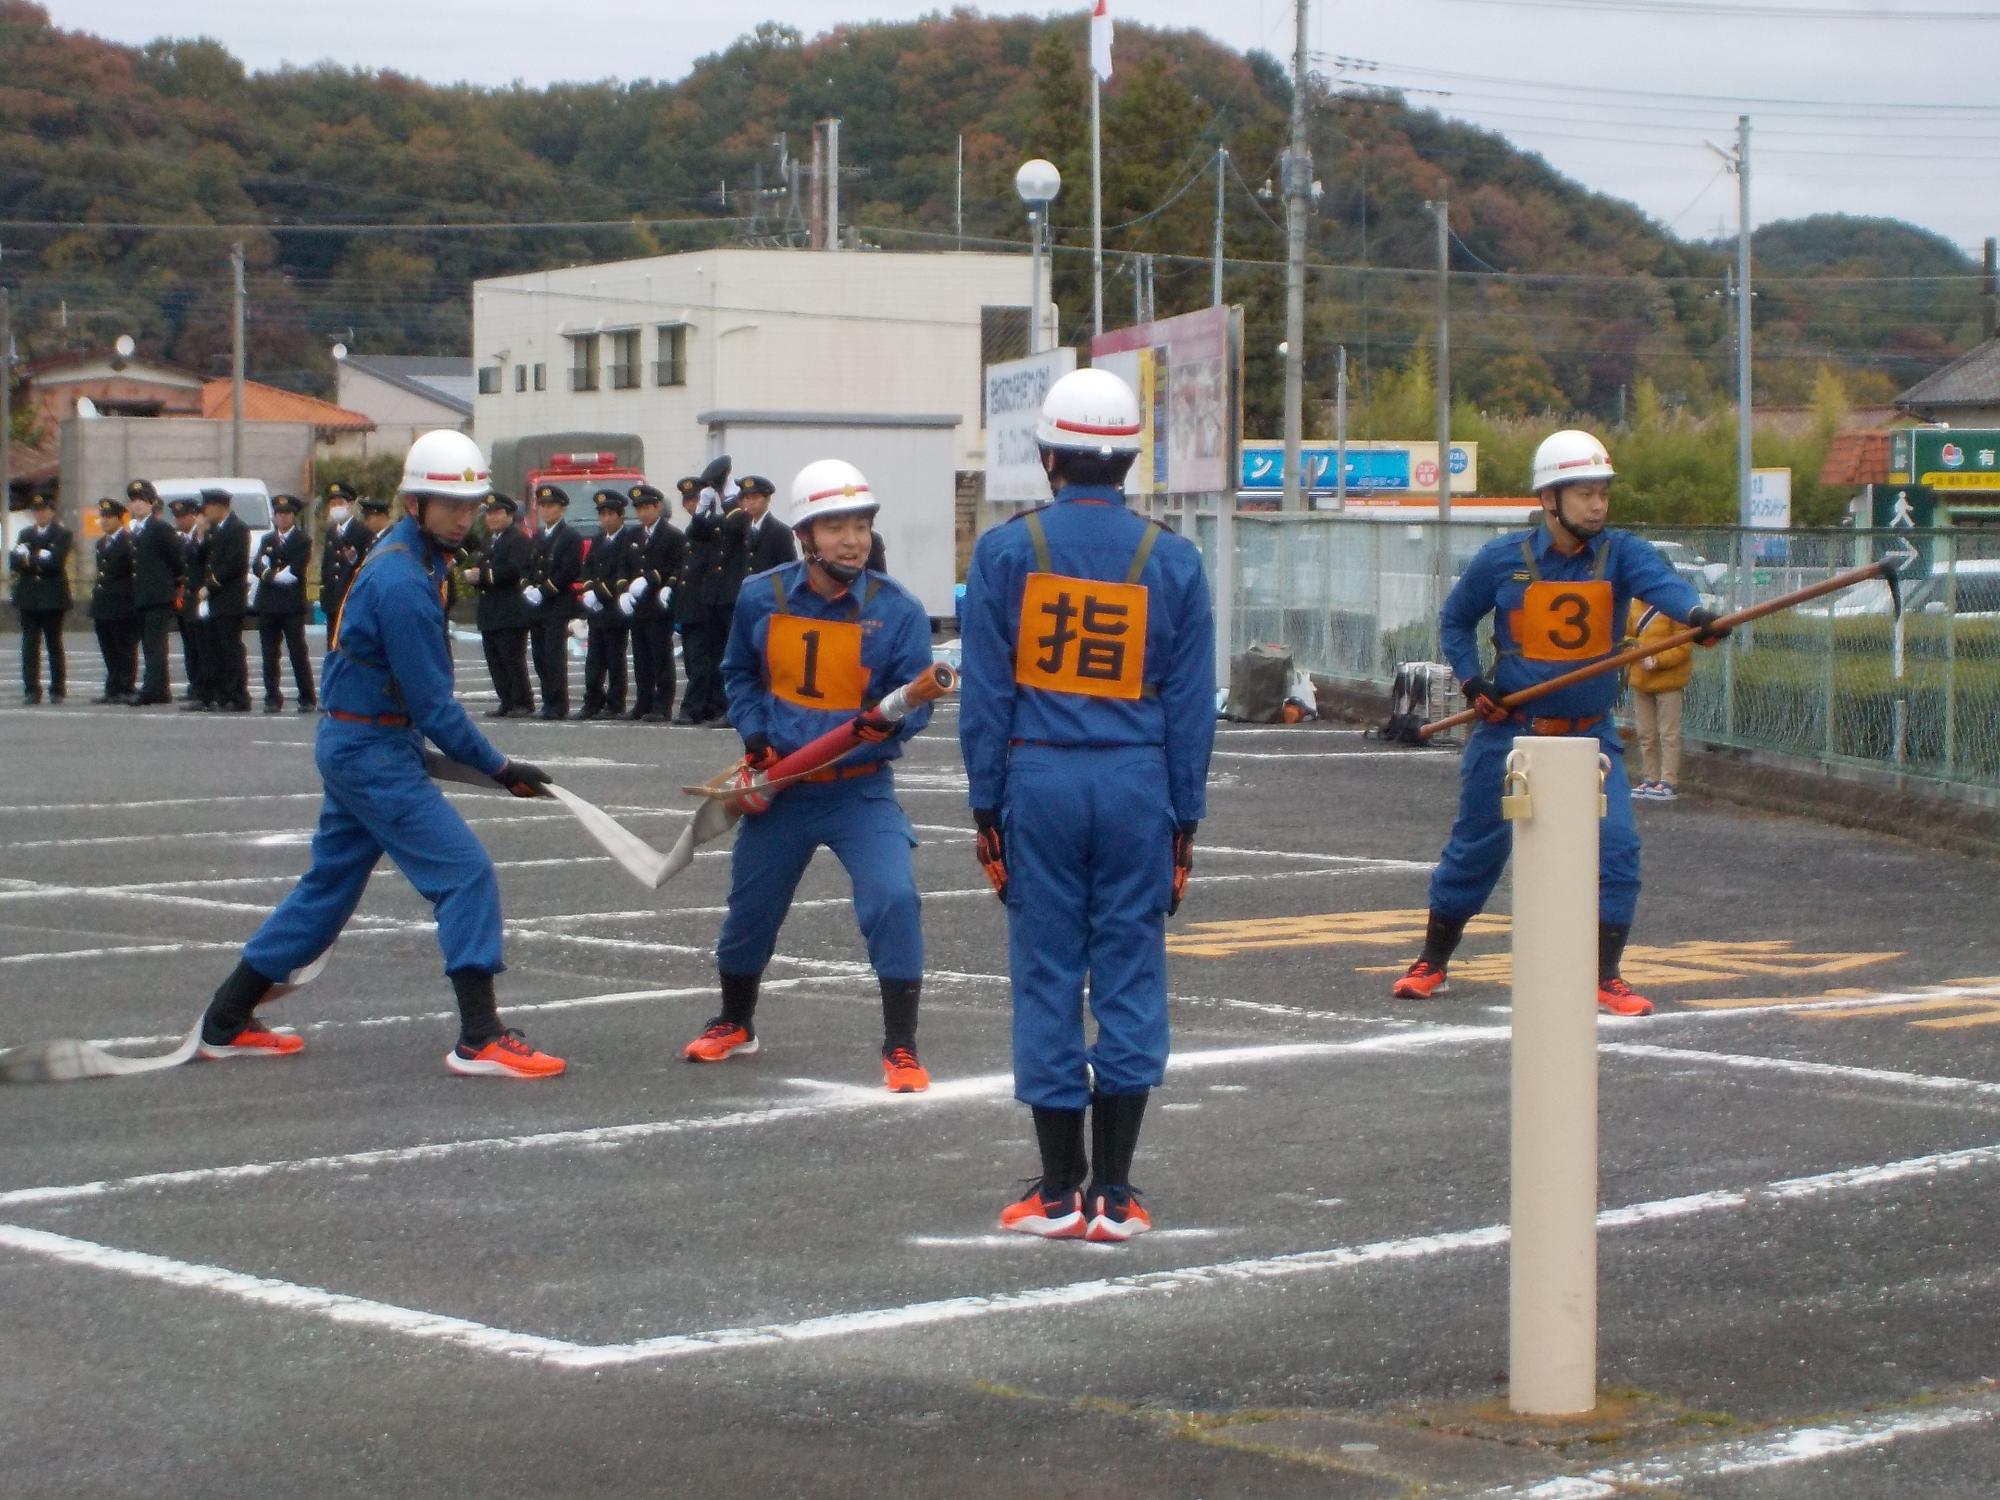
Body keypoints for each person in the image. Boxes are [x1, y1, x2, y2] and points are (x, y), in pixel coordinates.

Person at [195, 429, 564, 1079]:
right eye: (447, 504)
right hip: (373, 748)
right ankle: (480, 1037)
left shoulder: (416, 557)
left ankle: (225, 1020)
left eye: (471, 505)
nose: (463, 516)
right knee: (465, 872)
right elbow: (435, 706)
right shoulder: (403, 580)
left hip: (361, 740)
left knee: (326, 891)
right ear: (412, 503)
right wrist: (500, 769)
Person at [958, 367, 1217, 1244]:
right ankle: (1118, 1190)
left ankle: (1057, 1190)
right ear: (1130, 459)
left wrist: (984, 804)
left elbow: (986, 695)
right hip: (1139, 778)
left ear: (1047, 456)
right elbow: (1189, 707)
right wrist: (1186, 818)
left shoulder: (1005, 552)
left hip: (1039, 776)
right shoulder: (1174, 558)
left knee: (1047, 972)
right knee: (1131, 968)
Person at [1390, 429, 1728, 1018]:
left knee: (1618, 849)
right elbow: (1454, 620)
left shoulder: (1622, 553)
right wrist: (1474, 683)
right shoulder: (1502, 559)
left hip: (1591, 735)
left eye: (1603, 492)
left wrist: (1698, 616)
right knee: (1475, 850)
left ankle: (1606, 976)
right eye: (1584, 493)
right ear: (1550, 500)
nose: (1598, 504)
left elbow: (1666, 588)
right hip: (1509, 732)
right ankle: (1432, 962)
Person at [683, 458, 936, 1094]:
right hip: (782, 790)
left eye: (860, 525)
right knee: (750, 911)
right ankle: (735, 1022)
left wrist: (895, 726)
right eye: (835, 526)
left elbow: (918, 702)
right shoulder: (760, 595)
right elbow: (739, 673)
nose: (851, 538)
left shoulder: (899, 610)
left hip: (860, 790)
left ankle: (901, 1047)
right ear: (805, 535)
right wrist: (757, 736)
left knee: (894, 897)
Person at [463, 493, 535, 717]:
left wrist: (482, 575)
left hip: (509, 609)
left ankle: (522, 701)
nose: (492, 518)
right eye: (489, 514)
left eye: (498, 513)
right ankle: (506, 699)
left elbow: (513, 570)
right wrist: (476, 576)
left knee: (512, 658)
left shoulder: (517, 539)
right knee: (494, 659)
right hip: (490, 609)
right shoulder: (489, 541)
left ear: (510, 515)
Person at [621, 482, 686, 722]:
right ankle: (643, 702)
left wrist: (658, 581)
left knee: (661, 656)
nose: (643, 513)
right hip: (638, 605)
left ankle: (663, 705)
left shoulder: (672, 535)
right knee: (641, 657)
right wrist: (624, 590)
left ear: (657, 506)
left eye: (647, 507)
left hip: (658, 605)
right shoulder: (633, 535)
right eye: (638, 508)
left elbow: (676, 566)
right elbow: (625, 567)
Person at [253, 495, 316, 713]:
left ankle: (306, 696)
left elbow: (295, 571)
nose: (281, 517)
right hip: (268, 603)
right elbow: (257, 565)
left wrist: (270, 573)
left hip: (291, 605)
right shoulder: (268, 539)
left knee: (297, 651)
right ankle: (272, 696)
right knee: (269, 653)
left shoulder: (302, 540)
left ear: (294, 516)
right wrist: (270, 574)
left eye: (286, 513)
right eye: (278, 513)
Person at [525, 482, 583, 720]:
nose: (546, 511)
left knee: (553, 656)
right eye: (543, 506)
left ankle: (558, 704)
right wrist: (528, 586)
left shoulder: (570, 536)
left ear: (562, 509)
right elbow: (530, 566)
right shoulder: (539, 536)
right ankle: (547, 699)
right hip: (538, 606)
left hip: (557, 603)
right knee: (539, 655)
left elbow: (568, 570)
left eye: (552, 506)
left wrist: (544, 590)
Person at [1626, 599, 1692, 802]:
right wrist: (1636, 653)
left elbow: (1684, 643)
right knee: (1645, 733)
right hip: (1640, 678)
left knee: (1668, 734)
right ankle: (1651, 777)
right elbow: (1626, 636)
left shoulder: (1675, 606)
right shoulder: (1634, 606)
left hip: (1668, 681)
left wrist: (1658, 660)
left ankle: (1669, 781)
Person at [575, 490, 634, 720]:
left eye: (611, 514)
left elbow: (623, 571)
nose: (607, 519)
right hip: (596, 610)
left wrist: (600, 593)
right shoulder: (599, 539)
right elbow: (588, 568)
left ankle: (615, 702)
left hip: (614, 608)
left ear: (620, 516)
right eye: (603, 514)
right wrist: (588, 588)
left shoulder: (627, 540)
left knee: (614, 658)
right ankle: (592, 701)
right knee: (594, 659)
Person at [125, 479, 184, 705]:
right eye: (133, 500)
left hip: (158, 595)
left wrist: (171, 584)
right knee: (147, 645)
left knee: (155, 645)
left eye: (142, 500)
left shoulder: (160, 529)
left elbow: (176, 560)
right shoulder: (132, 530)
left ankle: (155, 689)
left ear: (151, 503)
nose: (137, 505)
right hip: (139, 596)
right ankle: (156, 687)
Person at [11, 492, 73, 705]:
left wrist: (29, 557)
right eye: (36, 510)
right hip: (28, 596)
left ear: (52, 510)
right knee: (29, 644)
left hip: (52, 597)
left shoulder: (62, 534)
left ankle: (57, 688)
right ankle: (31, 689)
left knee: (54, 643)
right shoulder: (25, 533)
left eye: (44, 509)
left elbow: (55, 562)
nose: (40, 514)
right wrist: (38, 557)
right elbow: (15, 561)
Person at [196, 487, 253, 712]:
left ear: (220, 507)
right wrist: (200, 537)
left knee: (231, 649)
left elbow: (234, 564)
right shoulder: (214, 529)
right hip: (214, 600)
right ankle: (221, 693)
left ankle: (237, 695)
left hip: (229, 597)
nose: (205, 512)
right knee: (215, 649)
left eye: (208, 507)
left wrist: (210, 585)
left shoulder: (237, 529)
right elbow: (202, 559)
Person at [670, 475, 715, 724]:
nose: (691, 505)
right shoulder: (692, 530)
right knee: (691, 660)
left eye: (695, 499)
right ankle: (704, 705)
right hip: (688, 606)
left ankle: (694, 707)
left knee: (700, 661)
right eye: (687, 500)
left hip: (703, 605)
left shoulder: (710, 528)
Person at [88, 497, 139, 704]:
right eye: (103, 517)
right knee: (107, 646)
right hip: (104, 603)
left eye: (109, 517)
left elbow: (132, 574)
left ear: (120, 519)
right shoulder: (101, 543)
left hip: (122, 602)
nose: (105, 520)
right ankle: (113, 686)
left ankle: (126, 686)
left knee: (123, 647)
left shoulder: (128, 541)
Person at [170, 496, 215, 709]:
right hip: (186, 598)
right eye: (177, 516)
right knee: (190, 646)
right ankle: (194, 685)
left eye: (187, 515)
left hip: (203, 597)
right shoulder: (180, 539)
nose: (181, 520)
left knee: (203, 647)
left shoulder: (206, 537)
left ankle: (205, 689)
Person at [318, 481, 364, 630]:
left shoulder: (360, 532)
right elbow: (327, 566)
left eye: (340, 503)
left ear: (350, 504)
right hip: (332, 601)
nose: (336, 508)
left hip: (350, 599)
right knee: (332, 644)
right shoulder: (331, 532)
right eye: (332, 504)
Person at [734, 473, 797, 576]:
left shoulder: (781, 532)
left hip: (770, 590)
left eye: (755, 497)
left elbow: (789, 571)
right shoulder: (742, 529)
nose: (751, 502)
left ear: (767, 499)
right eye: (747, 498)